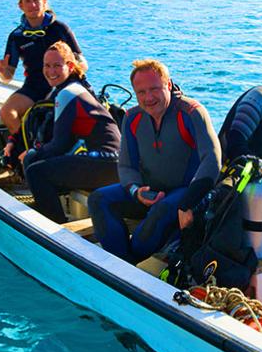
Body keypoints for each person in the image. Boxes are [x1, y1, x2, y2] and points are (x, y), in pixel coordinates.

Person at [87, 59, 221, 264]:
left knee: (150, 227)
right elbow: (126, 165)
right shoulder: (132, 117)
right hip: (150, 191)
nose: (148, 97)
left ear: (168, 85)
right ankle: (122, 264)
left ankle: (125, 263)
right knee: (98, 199)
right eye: (141, 92)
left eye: (154, 89)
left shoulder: (191, 112)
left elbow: (212, 160)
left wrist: (188, 202)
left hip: (185, 194)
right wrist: (136, 190)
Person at [20, 42, 120, 224]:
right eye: (47, 65)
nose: (51, 71)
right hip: (114, 164)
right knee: (39, 161)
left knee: (35, 171)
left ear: (71, 66)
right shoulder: (76, 88)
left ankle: (53, 225)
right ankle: (51, 210)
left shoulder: (67, 93)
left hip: (107, 164)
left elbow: (60, 145)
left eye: (57, 65)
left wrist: (33, 153)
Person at [0, 0, 83, 155]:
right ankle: (27, 153)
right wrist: (2, 71)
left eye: (36, 0)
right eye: (27, 1)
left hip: (62, 84)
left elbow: (83, 63)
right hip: (35, 86)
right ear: (20, 6)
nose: (32, 5)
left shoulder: (59, 29)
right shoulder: (17, 36)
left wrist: (67, 69)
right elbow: (8, 77)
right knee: (7, 112)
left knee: (50, 114)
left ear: (44, 2)